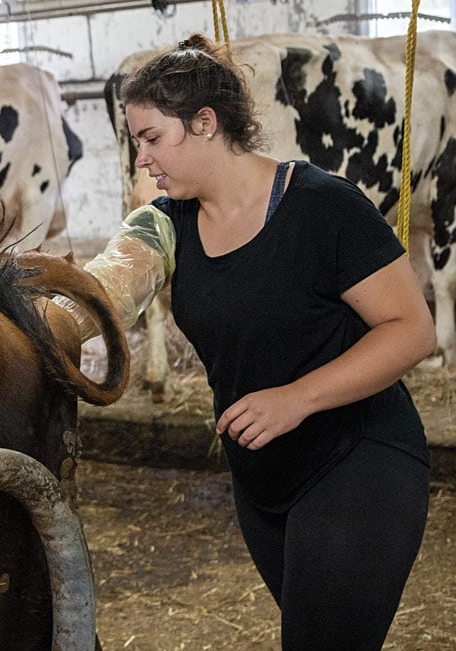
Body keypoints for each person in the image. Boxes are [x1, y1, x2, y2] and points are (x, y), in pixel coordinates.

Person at [66, 34, 435, 651]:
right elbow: (122, 259)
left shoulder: (322, 206)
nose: (143, 161)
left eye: (152, 139)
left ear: (205, 123)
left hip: (356, 459)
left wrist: (298, 398)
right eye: (137, 144)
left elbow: (411, 329)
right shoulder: (174, 223)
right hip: (262, 484)